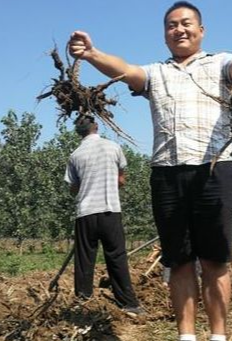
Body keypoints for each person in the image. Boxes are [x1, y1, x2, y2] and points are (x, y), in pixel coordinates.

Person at [68, 1, 232, 341]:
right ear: (165, 35)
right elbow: (125, 69)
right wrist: (91, 54)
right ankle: (186, 335)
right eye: (172, 25)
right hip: (167, 175)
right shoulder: (156, 74)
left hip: (213, 170)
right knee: (177, 261)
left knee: (215, 261)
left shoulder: (220, 63)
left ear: (201, 30)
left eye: (187, 23)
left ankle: (219, 335)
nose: (179, 29)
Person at [64, 115, 143, 315]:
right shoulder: (113, 147)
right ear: (96, 127)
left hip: (86, 213)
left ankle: (83, 302)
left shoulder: (75, 155)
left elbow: (74, 188)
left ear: (78, 133)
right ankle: (129, 304)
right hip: (110, 210)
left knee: (84, 260)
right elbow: (122, 180)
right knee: (116, 257)